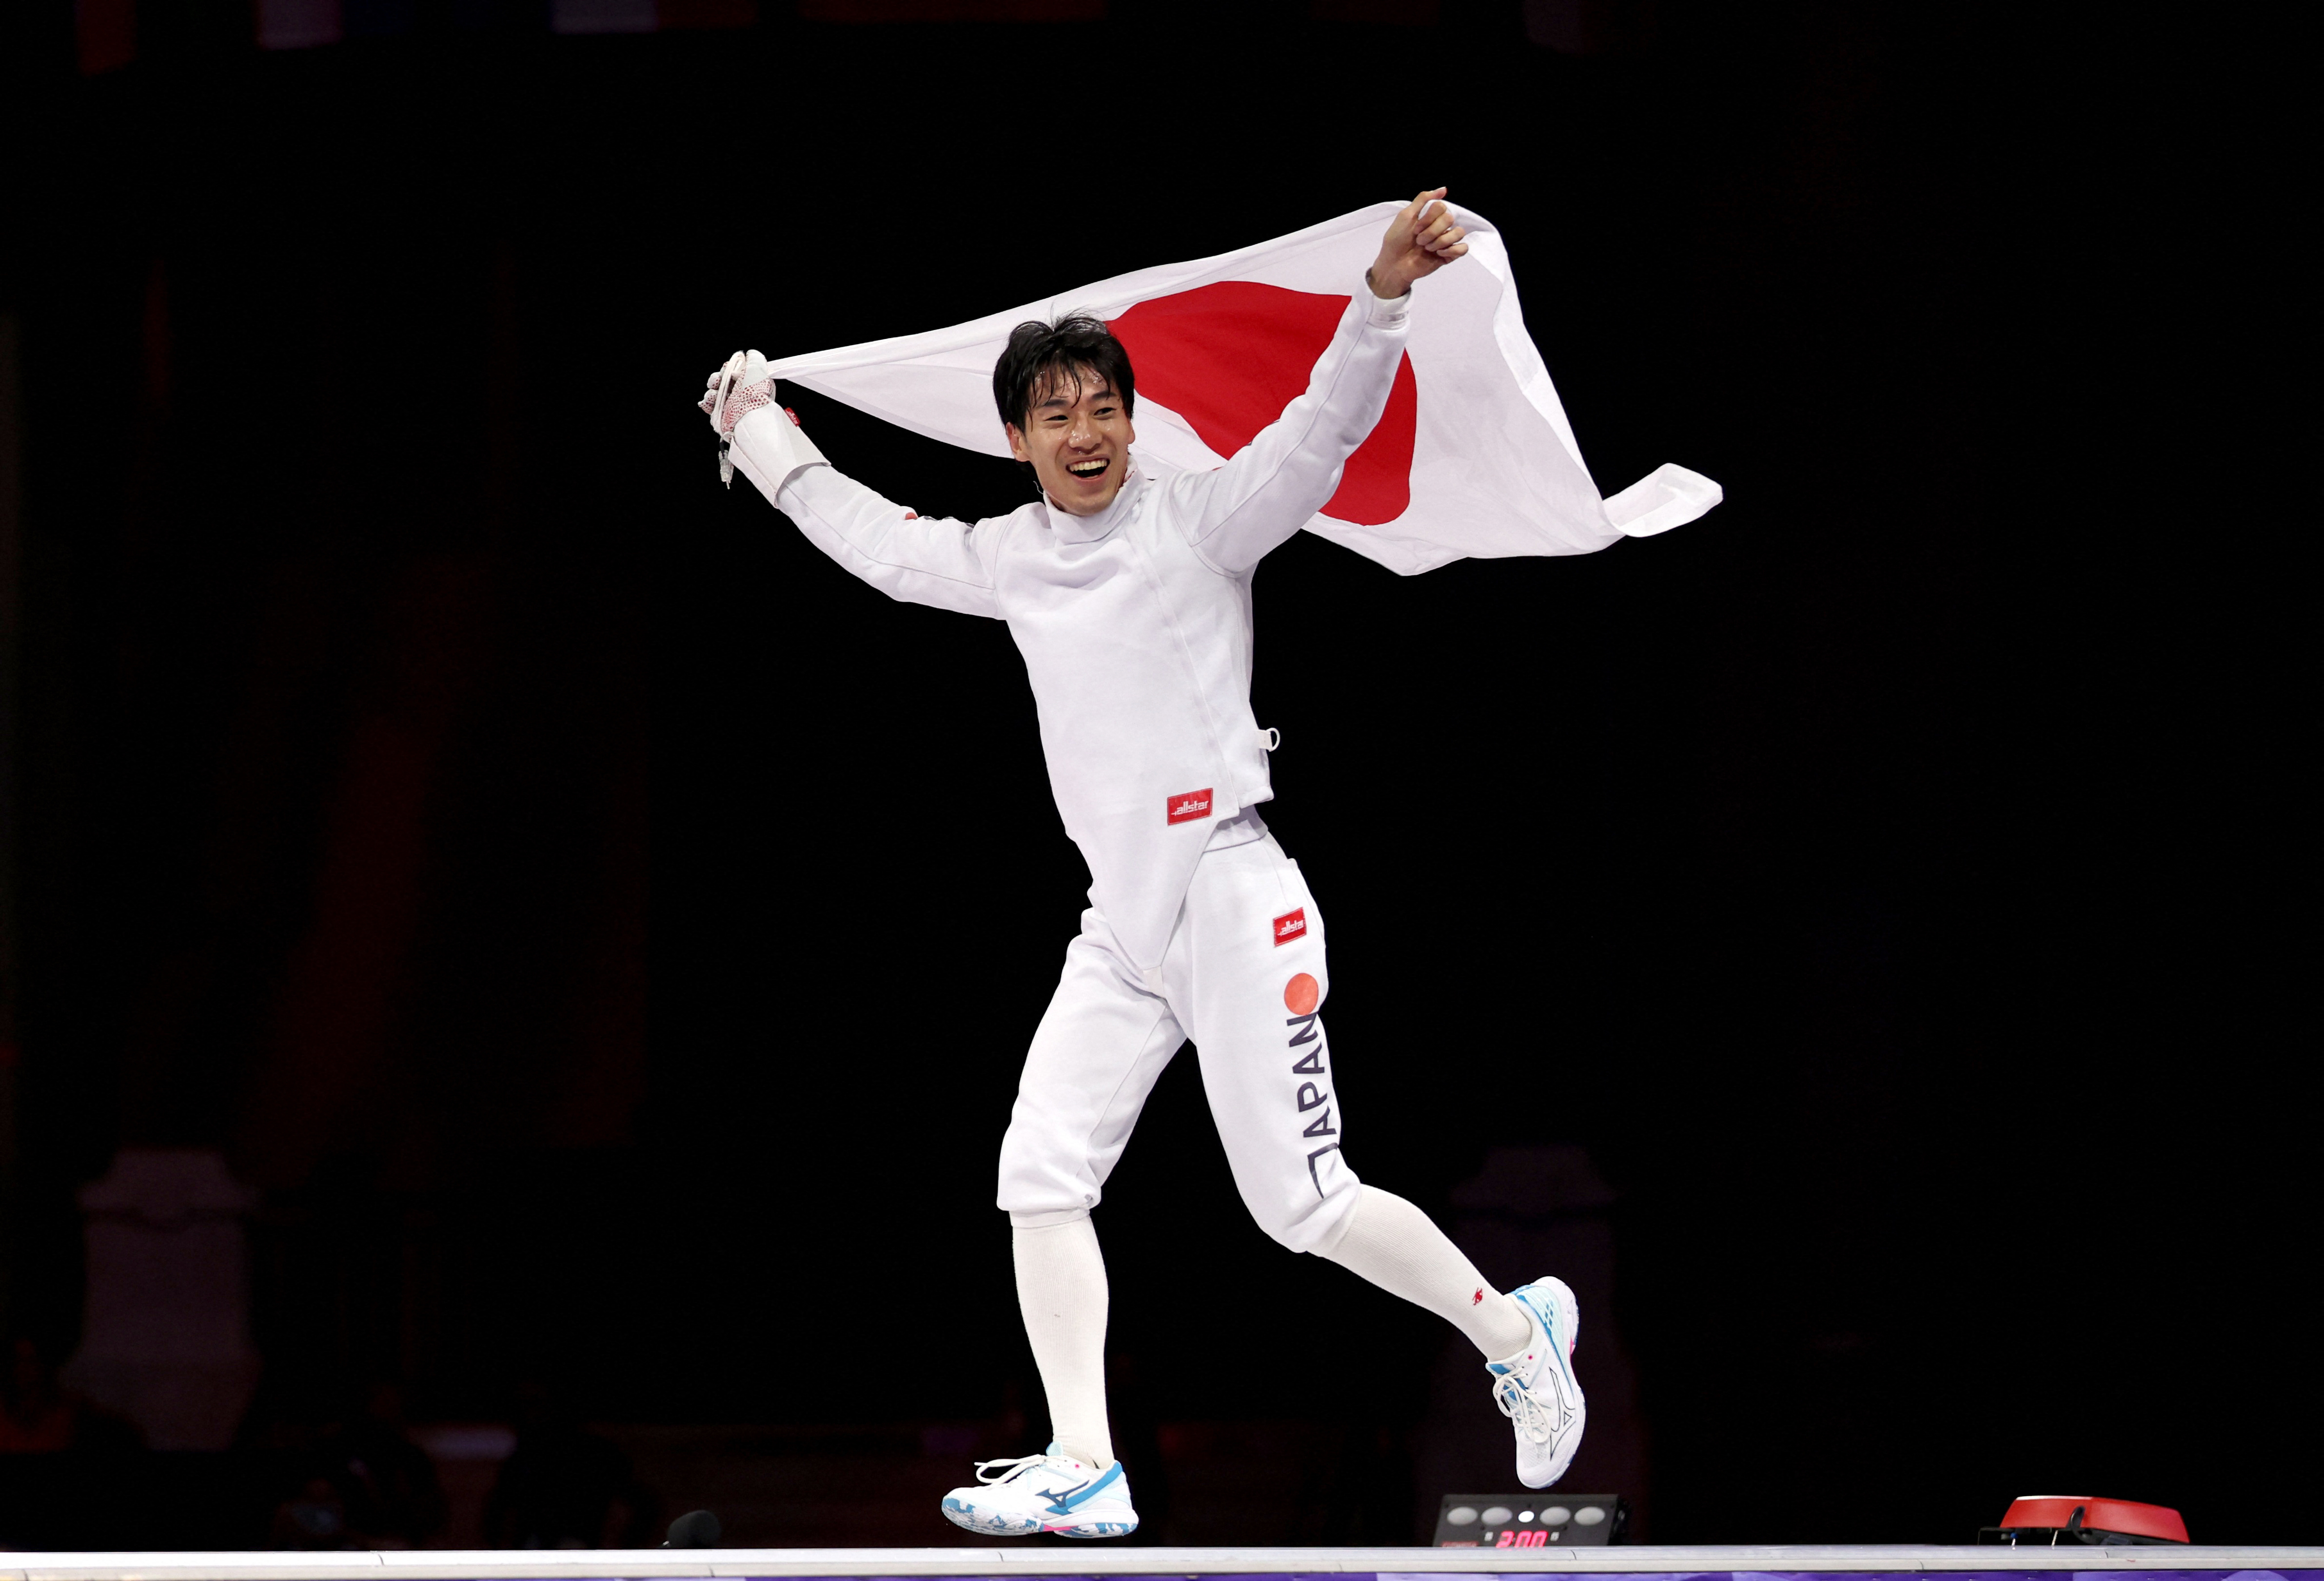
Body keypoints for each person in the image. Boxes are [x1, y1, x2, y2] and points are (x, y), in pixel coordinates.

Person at [701, 190, 1583, 1540]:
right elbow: (877, 544)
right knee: (1041, 1171)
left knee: (1303, 1204)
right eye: (1053, 413)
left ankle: (1512, 1335)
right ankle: (1084, 1459)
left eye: (1100, 405)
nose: (1083, 432)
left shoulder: (1202, 521)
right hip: (1124, 926)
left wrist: (1385, 293)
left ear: (1131, 414)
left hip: (1234, 896)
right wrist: (762, 433)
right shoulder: (1009, 560)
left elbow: (1320, 430)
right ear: (1017, 438)